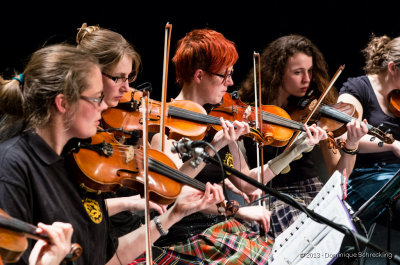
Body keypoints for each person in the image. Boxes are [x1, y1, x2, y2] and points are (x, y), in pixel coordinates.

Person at [0, 44, 224, 265]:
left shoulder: (79, 164)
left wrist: (174, 214)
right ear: (63, 103)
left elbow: (108, 256)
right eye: (96, 98)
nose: (103, 106)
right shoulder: (13, 166)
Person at [145, 29, 331, 265]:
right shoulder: (164, 127)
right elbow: (171, 191)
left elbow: (247, 181)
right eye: (225, 75)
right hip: (185, 237)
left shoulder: (217, 123)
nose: (231, 83)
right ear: (200, 75)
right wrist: (215, 147)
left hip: (222, 230)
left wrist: (294, 151)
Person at [239, 34, 369, 237]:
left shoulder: (317, 111)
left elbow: (339, 176)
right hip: (265, 196)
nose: (307, 79)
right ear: (276, 73)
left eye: (309, 71)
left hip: (307, 191)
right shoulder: (251, 108)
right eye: (298, 72)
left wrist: (351, 144)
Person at [337, 34, 400, 225]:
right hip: (366, 178)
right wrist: (392, 145)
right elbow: (344, 135)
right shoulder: (357, 88)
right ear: (392, 68)